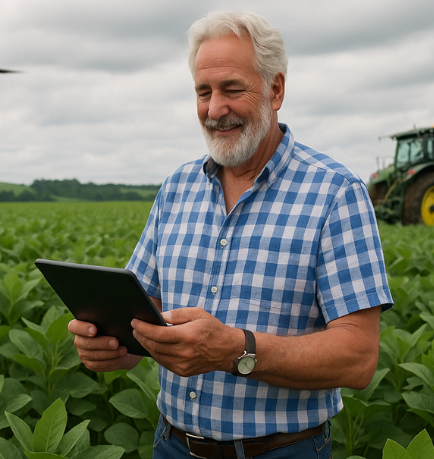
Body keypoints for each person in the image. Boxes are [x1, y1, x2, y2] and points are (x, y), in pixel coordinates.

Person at [68, 10, 392, 459]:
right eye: (204, 92)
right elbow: (147, 313)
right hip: (173, 445)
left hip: (282, 451)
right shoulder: (177, 188)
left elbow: (358, 357)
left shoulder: (335, 193)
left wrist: (235, 351)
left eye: (232, 90)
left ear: (276, 89)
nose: (215, 109)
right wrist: (113, 345)